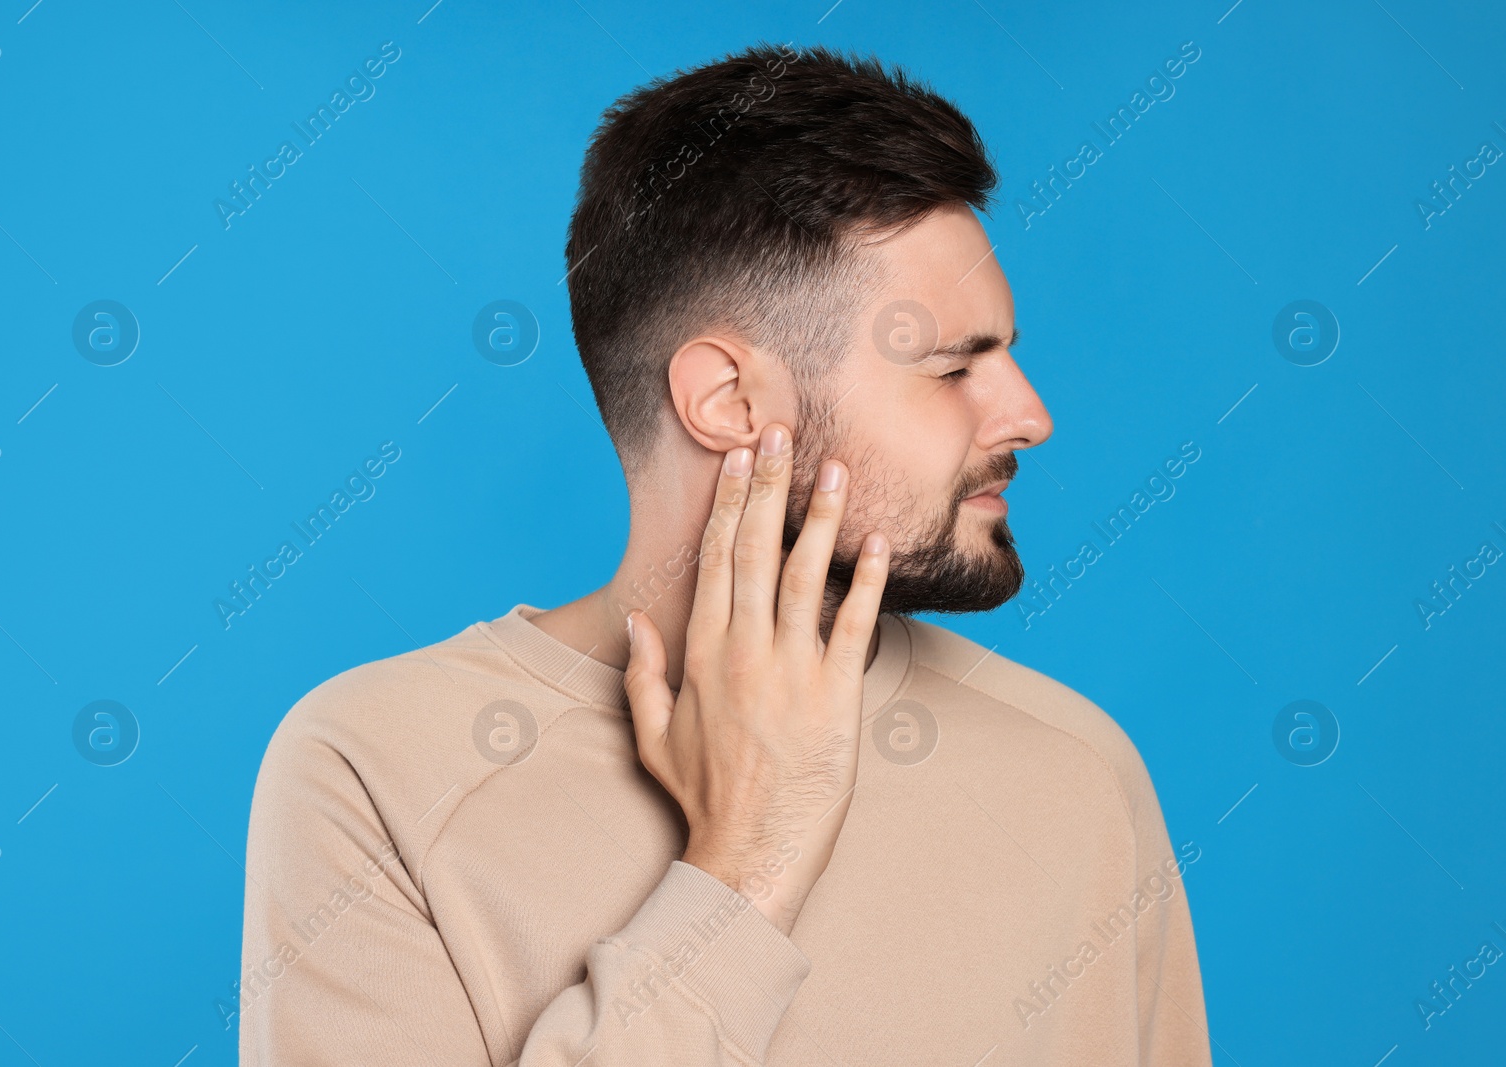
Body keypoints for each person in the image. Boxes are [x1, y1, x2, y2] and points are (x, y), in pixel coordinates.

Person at [238, 42, 1211, 1066]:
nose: (1029, 415)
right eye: (952, 366)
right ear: (729, 403)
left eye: (1007, 354)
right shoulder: (374, 770)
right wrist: (746, 862)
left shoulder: (1075, 770)